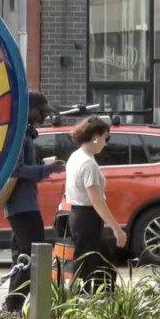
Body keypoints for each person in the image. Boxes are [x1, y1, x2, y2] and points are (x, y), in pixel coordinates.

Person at [1, 91, 66, 313]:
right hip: (21, 206)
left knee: (22, 256)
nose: (44, 117)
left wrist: (41, 165)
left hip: (23, 204)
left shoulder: (24, 133)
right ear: (28, 110)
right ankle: (13, 308)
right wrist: (48, 169)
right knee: (31, 258)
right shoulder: (19, 135)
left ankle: (12, 308)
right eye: (41, 112)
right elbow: (16, 169)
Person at [64, 115, 127, 294]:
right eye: (106, 138)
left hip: (78, 215)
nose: (105, 143)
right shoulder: (88, 163)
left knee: (97, 260)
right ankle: (86, 298)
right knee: (90, 262)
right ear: (96, 136)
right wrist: (116, 228)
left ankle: (99, 296)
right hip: (88, 216)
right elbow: (96, 199)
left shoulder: (75, 157)